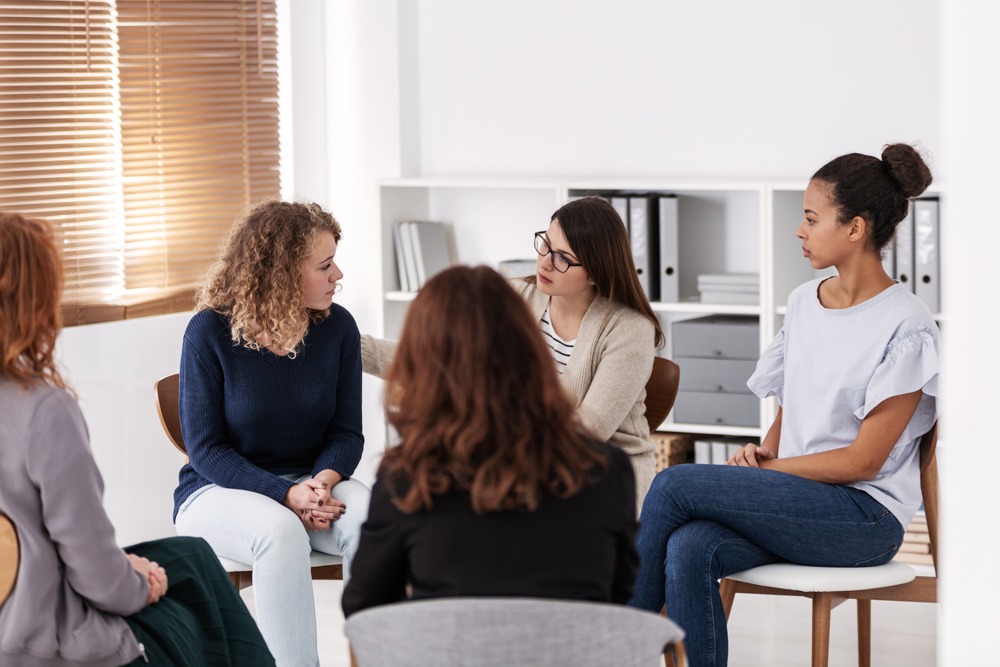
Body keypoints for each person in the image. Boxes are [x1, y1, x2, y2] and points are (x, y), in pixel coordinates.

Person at [628, 144, 941, 667]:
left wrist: (773, 474)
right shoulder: (803, 302)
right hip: (796, 500)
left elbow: (863, 461)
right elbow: (792, 409)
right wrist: (762, 453)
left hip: (864, 518)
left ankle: (613, 647)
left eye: (812, 218)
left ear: (855, 228)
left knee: (673, 482)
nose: (800, 230)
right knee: (689, 547)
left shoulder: (906, 325)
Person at [0, 212, 274, 667]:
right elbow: (101, 583)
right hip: (53, 645)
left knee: (190, 553)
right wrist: (138, 581)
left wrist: (124, 567)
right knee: (193, 592)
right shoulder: (44, 411)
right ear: (33, 301)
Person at [341, 266, 638, 617]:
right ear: (530, 347)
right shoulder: (607, 470)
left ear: (425, 365)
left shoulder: (406, 477)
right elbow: (618, 598)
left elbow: (365, 608)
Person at [363, 196, 665, 509]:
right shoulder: (516, 296)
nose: (545, 262)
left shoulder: (630, 330)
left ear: (594, 272)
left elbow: (587, 432)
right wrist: (351, 347)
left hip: (600, 479)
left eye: (563, 257)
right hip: (522, 467)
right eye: (545, 245)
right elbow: (437, 359)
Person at [172, 201, 369, 667]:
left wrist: (320, 482)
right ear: (282, 273)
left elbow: (347, 433)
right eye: (324, 265)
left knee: (376, 519)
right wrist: (285, 493)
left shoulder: (337, 327)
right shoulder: (208, 333)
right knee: (280, 533)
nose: (337, 274)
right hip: (217, 490)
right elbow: (206, 451)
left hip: (312, 484)